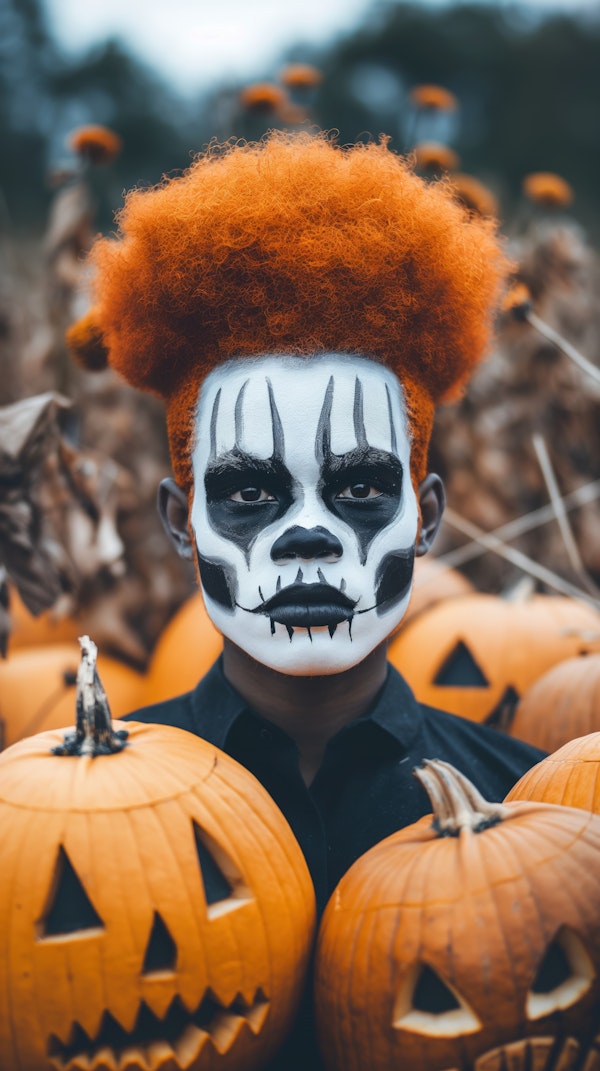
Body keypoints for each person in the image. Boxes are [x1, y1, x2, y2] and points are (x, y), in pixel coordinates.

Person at [68, 132, 545, 1068]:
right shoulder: (78, 828)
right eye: (249, 493)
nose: (309, 533)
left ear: (428, 515)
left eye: (362, 487)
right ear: (180, 520)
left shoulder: (525, 800)